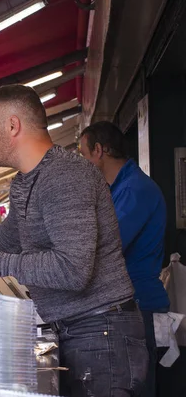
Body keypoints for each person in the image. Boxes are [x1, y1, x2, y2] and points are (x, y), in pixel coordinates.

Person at [0, 85, 147, 396]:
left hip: (102, 337)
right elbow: (4, 241)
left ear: (12, 125)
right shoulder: (25, 182)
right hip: (77, 332)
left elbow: (73, 269)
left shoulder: (64, 176)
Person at [80, 121, 169, 397]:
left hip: (140, 308)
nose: (83, 163)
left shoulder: (135, 189)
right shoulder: (117, 189)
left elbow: (105, 246)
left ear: (99, 151)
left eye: (83, 154)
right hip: (126, 307)